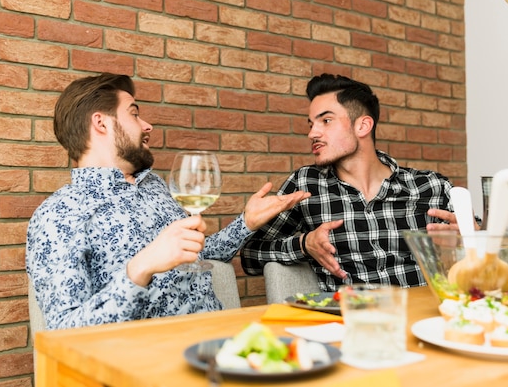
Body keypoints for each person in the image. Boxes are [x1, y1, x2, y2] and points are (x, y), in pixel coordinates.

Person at [26, 73, 309, 329]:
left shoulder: (154, 186)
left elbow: (197, 256)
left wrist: (246, 223)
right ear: (101, 123)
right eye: (134, 114)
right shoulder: (58, 215)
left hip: (217, 346)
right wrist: (139, 269)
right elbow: (64, 333)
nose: (147, 125)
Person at [240, 73, 459, 291]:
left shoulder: (431, 185)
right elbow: (250, 256)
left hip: (427, 319)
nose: (312, 133)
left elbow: (482, 246)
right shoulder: (306, 184)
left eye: (326, 121)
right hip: (350, 319)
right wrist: (304, 244)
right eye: (311, 124)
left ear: (362, 126)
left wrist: (468, 239)